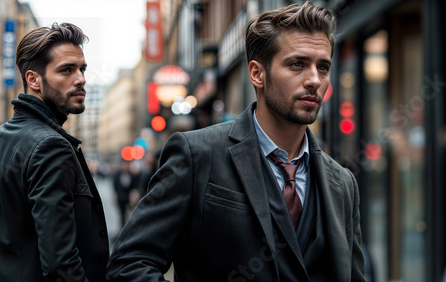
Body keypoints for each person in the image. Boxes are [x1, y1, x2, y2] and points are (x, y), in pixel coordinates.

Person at [107, 2, 365, 281]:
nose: (314, 79)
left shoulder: (343, 183)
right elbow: (129, 264)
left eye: (323, 67)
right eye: (297, 64)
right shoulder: (197, 155)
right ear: (257, 74)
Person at [0, 23, 109, 281]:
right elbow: (61, 265)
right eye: (67, 70)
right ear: (33, 79)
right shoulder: (52, 147)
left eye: (82, 69)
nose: (81, 78)